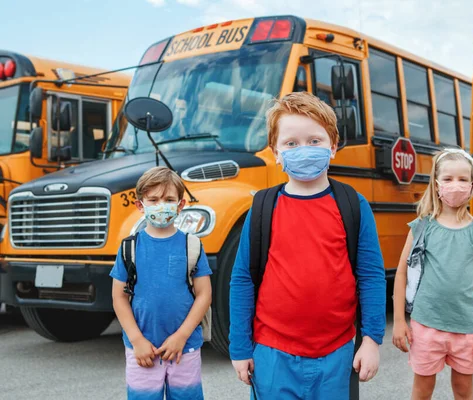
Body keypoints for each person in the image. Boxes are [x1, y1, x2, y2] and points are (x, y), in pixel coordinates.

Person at [229, 92, 387, 399]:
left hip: (337, 354)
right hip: (272, 353)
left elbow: (371, 277)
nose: (304, 150)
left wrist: (371, 340)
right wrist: (240, 347)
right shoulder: (262, 208)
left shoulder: (353, 205)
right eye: (291, 144)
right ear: (275, 152)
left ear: (333, 147)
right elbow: (242, 279)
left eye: (315, 141)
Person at [392, 148, 473, 400]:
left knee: (463, 389)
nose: (455, 185)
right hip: (426, 325)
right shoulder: (421, 227)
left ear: (472, 185)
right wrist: (399, 321)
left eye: (462, 179)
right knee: (422, 390)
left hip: (466, 326)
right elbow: (402, 274)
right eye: (448, 179)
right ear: (436, 184)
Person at [110, 166, 212, 400]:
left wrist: (181, 336)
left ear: (180, 205)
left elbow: (204, 294)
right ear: (140, 205)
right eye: (153, 199)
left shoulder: (192, 246)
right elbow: (119, 297)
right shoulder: (129, 248)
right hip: (142, 351)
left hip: (184, 349)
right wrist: (137, 340)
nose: (161, 205)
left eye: (168, 199)